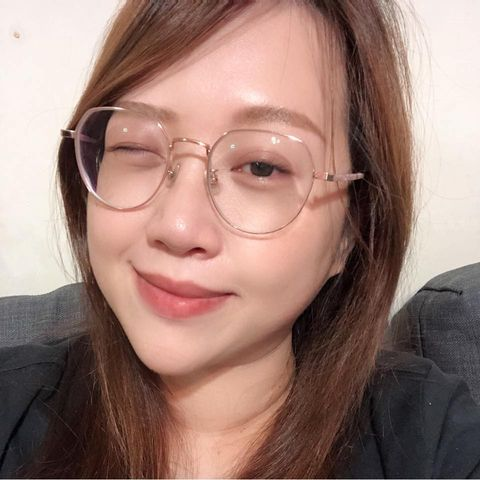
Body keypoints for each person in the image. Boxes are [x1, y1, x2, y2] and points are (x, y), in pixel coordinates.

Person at [1, 0, 480, 478]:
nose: (177, 227)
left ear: (351, 231)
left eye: (262, 167)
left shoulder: (431, 441)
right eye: (135, 146)